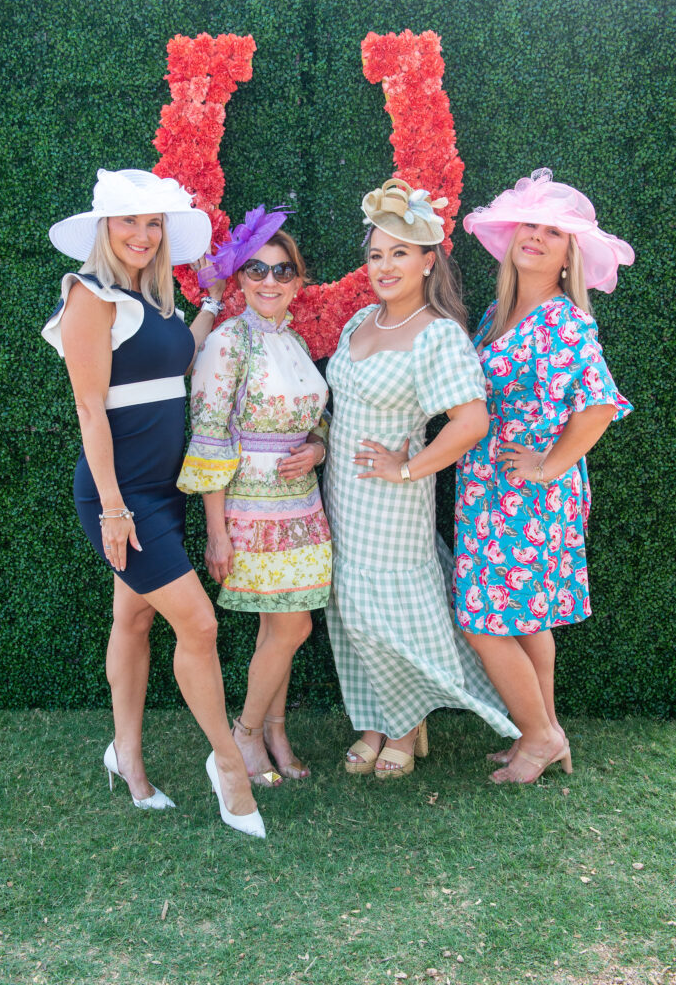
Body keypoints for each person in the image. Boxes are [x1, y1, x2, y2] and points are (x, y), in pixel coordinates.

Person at [43, 168, 265, 838]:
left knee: (133, 623)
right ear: (104, 229)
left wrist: (209, 306)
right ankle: (227, 765)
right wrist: (113, 507)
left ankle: (129, 758)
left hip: (166, 489)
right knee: (197, 625)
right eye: (128, 221)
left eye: (153, 224)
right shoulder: (89, 296)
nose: (141, 234)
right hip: (121, 495)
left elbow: (173, 362)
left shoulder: (153, 297)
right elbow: (89, 407)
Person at [323, 178, 519, 779]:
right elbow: (338, 407)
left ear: (428, 260)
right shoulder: (361, 320)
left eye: (400, 253)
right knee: (352, 610)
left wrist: (406, 466)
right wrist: (314, 444)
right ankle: (375, 722)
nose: (385, 266)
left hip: (395, 502)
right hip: (341, 494)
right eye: (376, 254)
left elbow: (471, 421)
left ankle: (408, 729)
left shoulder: (438, 333)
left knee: (389, 611)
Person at [454, 167, 634, 784]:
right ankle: (546, 732)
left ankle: (539, 733)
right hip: (489, 488)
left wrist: (548, 464)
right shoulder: (498, 315)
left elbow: (601, 404)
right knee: (526, 617)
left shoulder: (564, 320)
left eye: (551, 233)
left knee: (485, 619)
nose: (535, 236)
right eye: (528, 225)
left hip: (525, 494)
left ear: (567, 256)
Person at [177, 207, 331, 787]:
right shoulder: (227, 341)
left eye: (283, 271)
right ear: (239, 280)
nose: (270, 281)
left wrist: (317, 449)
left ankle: (275, 731)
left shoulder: (291, 340)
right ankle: (244, 734)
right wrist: (217, 531)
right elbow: (211, 433)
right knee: (293, 629)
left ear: (299, 281)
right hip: (250, 508)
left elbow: (315, 420)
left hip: (303, 504)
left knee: (283, 625)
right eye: (257, 271)